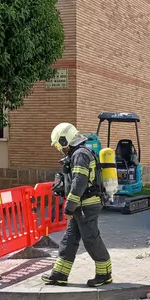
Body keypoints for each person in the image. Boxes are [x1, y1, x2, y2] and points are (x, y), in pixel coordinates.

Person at [41, 123, 113, 287]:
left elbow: (79, 183)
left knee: (91, 238)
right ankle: (59, 275)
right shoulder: (78, 153)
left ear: (64, 140)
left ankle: (105, 273)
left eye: (59, 145)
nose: (60, 149)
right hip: (81, 205)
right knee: (69, 239)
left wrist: (69, 207)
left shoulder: (80, 155)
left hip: (87, 204)